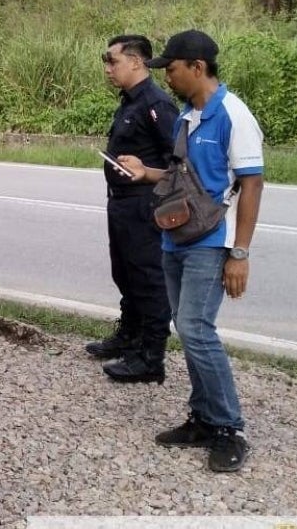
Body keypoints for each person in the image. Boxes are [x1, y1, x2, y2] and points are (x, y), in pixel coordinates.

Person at [117, 30, 264, 474]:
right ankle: (202, 417)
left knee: (197, 329)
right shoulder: (187, 116)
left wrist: (239, 253)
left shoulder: (232, 115)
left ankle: (228, 427)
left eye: (173, 68)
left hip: (210, 242)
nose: (169, 77)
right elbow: (182, 176)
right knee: (188, 328)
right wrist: (146, 172)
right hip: (175, 238)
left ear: (197, 67)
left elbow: (252, 184)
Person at [87, 35, 178, 384]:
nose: (108, 69)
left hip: (145, 204)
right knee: (125, 273)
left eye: (112, 61)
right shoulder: (129, 102)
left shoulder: (157, 104)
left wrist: (146, 173)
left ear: (137, 61)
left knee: (148, 279)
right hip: (121, 202)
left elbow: (179, 162)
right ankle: (129, 336)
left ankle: (151, 357)